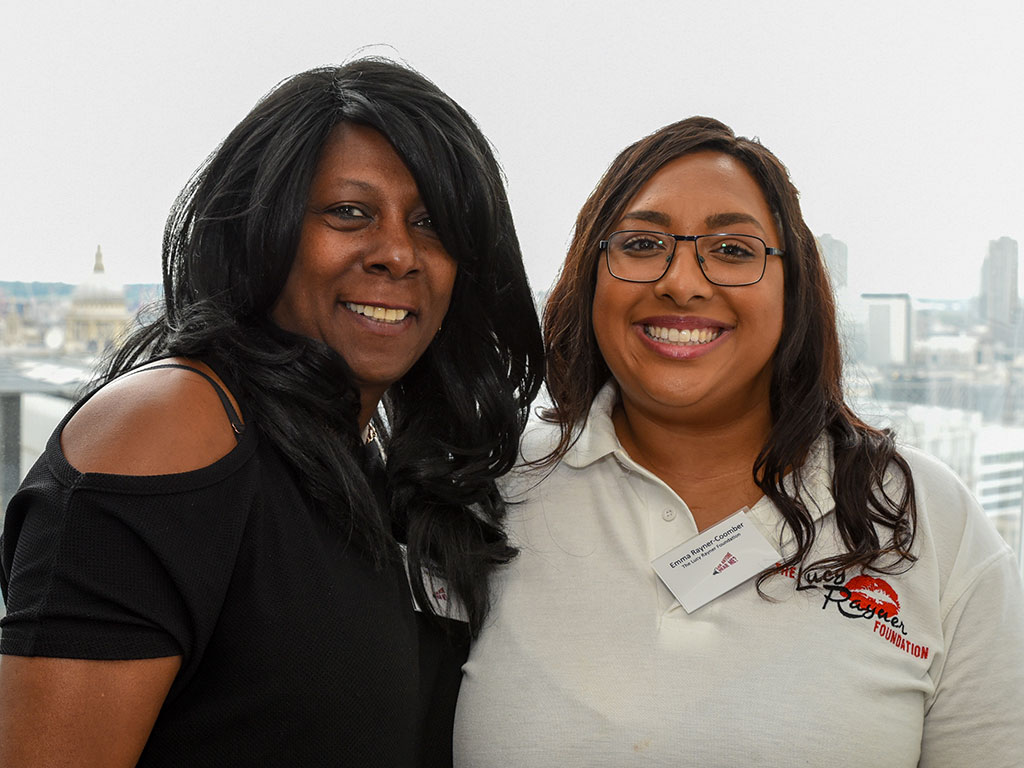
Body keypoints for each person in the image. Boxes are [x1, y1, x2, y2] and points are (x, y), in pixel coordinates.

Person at [0, 58, 543, 767]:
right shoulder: (171, 425)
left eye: (432, 224)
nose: (398, 254)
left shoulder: (361, 463)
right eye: (349, 213)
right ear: (263, 229)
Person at [453, 117, 1024, 767]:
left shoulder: (929, 521)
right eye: (643, 244)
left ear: (793, 288)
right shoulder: (488, 497)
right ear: (591, 276)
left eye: (732, 250)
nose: (682, 282)